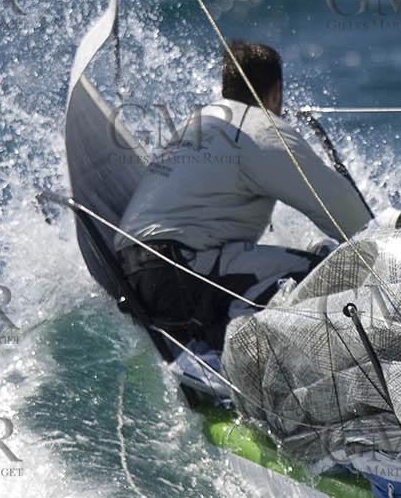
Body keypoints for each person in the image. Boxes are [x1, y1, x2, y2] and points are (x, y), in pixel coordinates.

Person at [114, 40, 373, 348]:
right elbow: (347, 217)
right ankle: (235, 349)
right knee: (326, 273)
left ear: (225, 89)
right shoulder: (262, 129)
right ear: (276, 91)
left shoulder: (198, 123)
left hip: (131, 274)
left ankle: (214, 339)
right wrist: (382, 250)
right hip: (178, 276)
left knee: (279, 262)